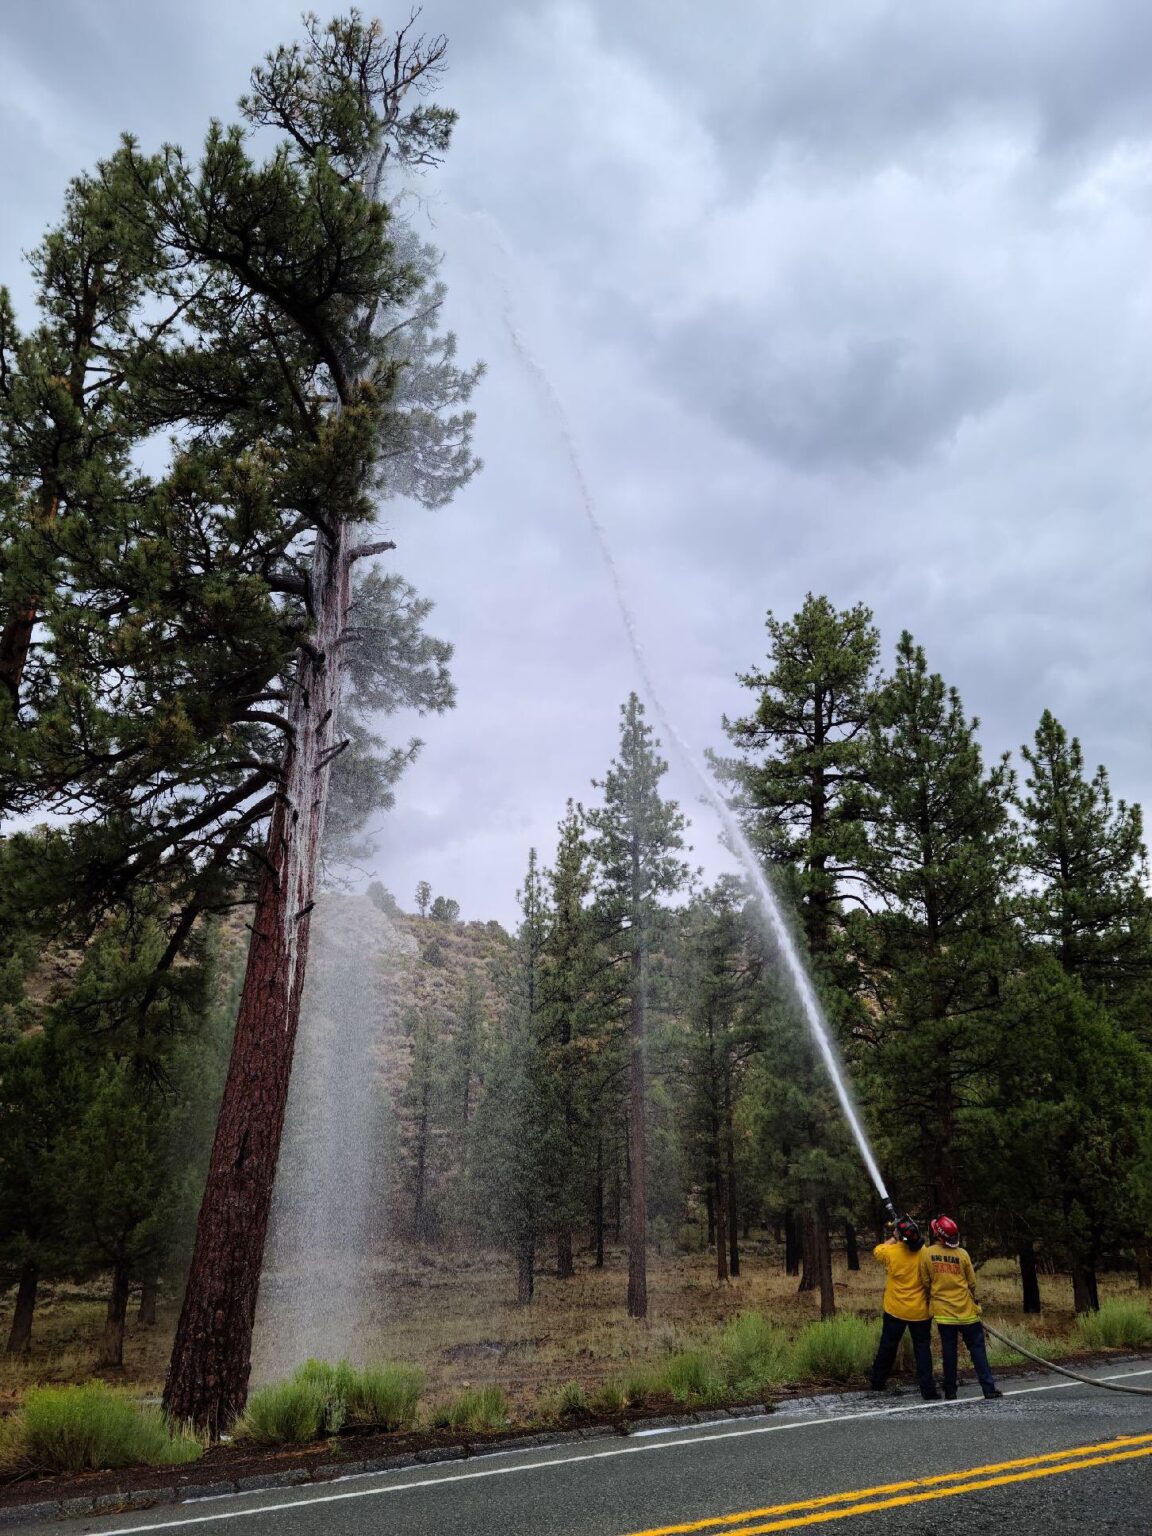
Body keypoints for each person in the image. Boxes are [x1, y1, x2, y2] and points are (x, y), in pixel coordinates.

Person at [919, 1215, 1003, 1401]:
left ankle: (951, 1391)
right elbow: (971, 1283)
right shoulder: (963, 1254)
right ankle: (988, 1388)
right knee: (978, 1350)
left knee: (949, 1353)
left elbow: (925, 1282)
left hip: (944, 1314)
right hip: (967, 1313)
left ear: (937, 1234)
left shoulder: (927, 1253)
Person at [866, 1214, 939, 1400]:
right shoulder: (925, 1252)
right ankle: (928, 1389)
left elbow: (877, 1250)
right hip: (920, 1312)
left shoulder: (890, 1252)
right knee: (922, 1349)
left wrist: (894, 1237)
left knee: (888, 1346)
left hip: (895, 1310)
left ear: (900, 1237)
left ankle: (877, 1381)